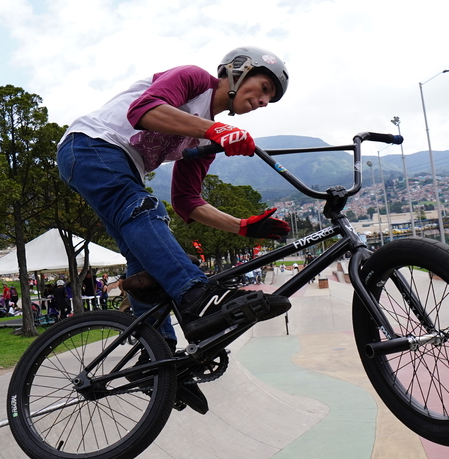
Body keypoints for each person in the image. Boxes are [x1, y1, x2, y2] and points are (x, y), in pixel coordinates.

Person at [57, 47, 294, 350]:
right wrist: (217, 129)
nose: (262, 102)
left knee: (145, 266)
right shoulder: (194, 79)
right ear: (238, 70)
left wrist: (243, 226)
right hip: (91, 144)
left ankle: (157, 355)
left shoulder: (207, 136)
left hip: (122, 165)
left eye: (268, 101)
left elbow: (186, 200)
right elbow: (142, 110)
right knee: (145, 208)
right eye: (264, 89)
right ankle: (197, 294)